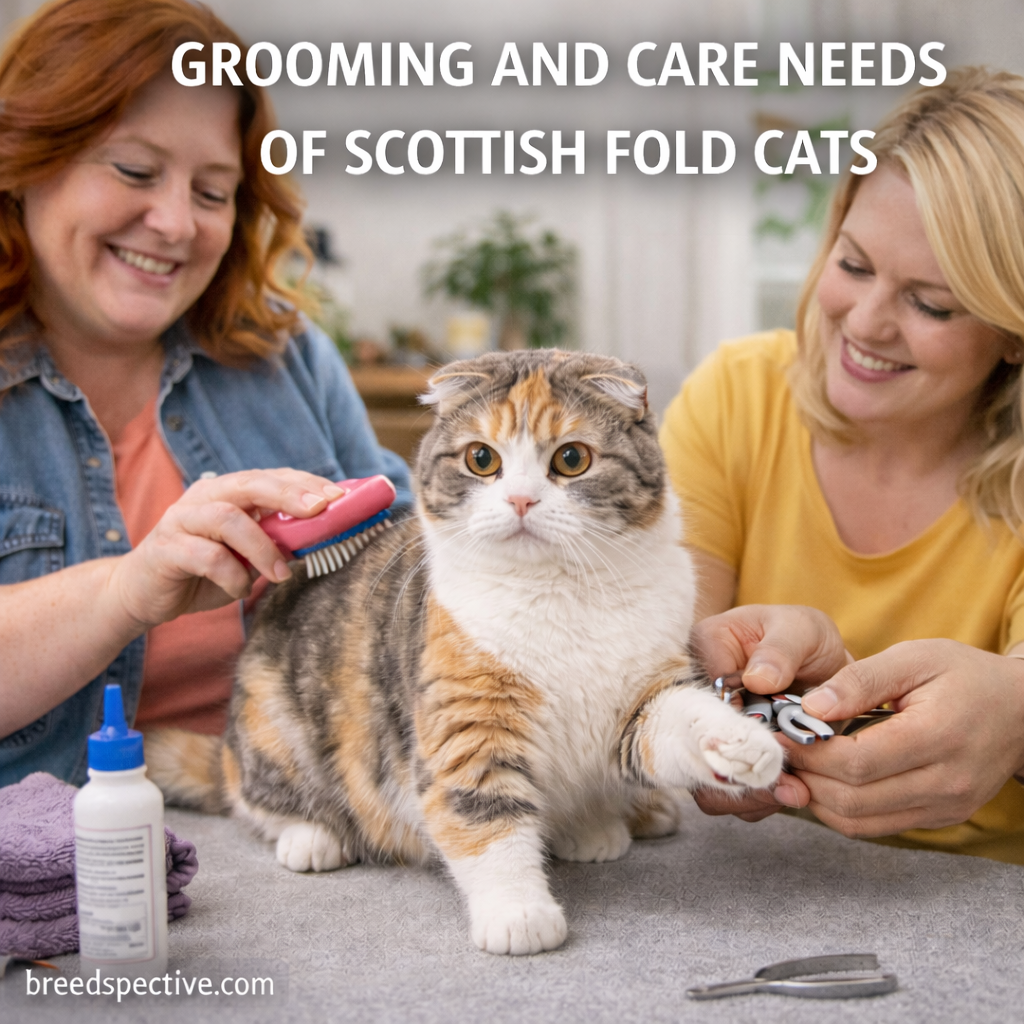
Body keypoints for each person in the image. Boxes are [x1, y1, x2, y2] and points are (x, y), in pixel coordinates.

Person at [0, 0, 412, 787]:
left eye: (214, 192)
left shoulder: (286, 360)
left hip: (295, 830)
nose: (175, 223)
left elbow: (409, 582)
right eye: (134, 170)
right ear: (24, 160)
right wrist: (126, 592)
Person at [661, 68, 1024, 864]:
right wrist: (706, 696)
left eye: (931, 304)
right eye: (854, 265)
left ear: (1013, 333)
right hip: (748, 883)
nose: (864, 324)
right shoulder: (737, 395)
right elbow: (661, 659)